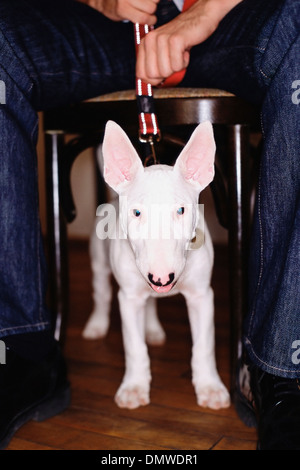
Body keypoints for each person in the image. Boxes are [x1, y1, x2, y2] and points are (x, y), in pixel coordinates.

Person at [0, 0, 299, 450]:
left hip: (225, 21)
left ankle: (282, 367)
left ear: (201, 169)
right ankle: (18, 348)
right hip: (111, 29)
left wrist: (206, 12)